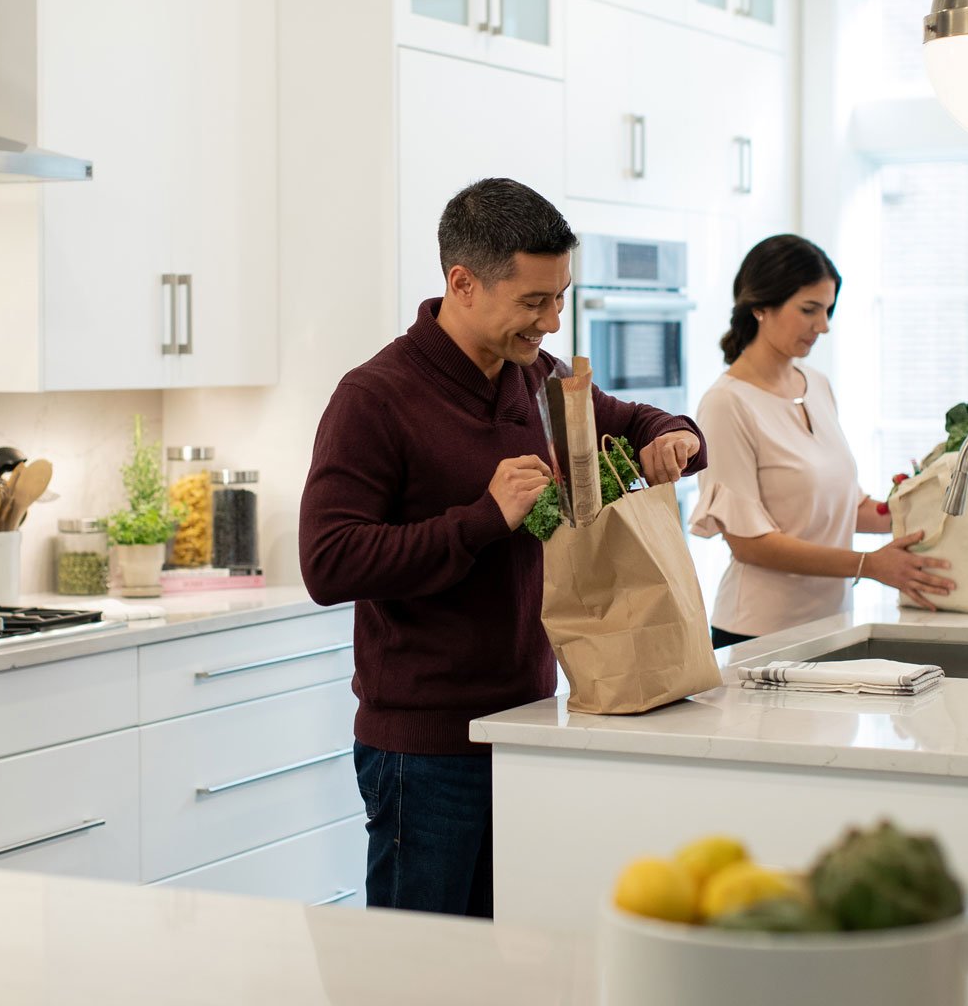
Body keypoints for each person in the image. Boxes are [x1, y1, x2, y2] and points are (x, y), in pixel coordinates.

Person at [298, 178, 707, 918]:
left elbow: (640, 417)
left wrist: (675, 437)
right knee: (414, 977)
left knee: (505, 972)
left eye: (560, 298)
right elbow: (329, 563)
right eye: (534, 302)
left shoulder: (538, 379)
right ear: (462, 284)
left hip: (528, 725)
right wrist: (485, 517)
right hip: (422, 750)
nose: (552, 321)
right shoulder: (374, 398)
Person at [688, 234, 954, 648]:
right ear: (760, 306)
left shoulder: (816, 385)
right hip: (757, 632)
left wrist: (927, 499)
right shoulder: (726, 403)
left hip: (830, 625)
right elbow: (748, 544)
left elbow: (847, 507)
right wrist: (868, 565)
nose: (824, 325)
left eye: (828, 309)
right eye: (809, 309)